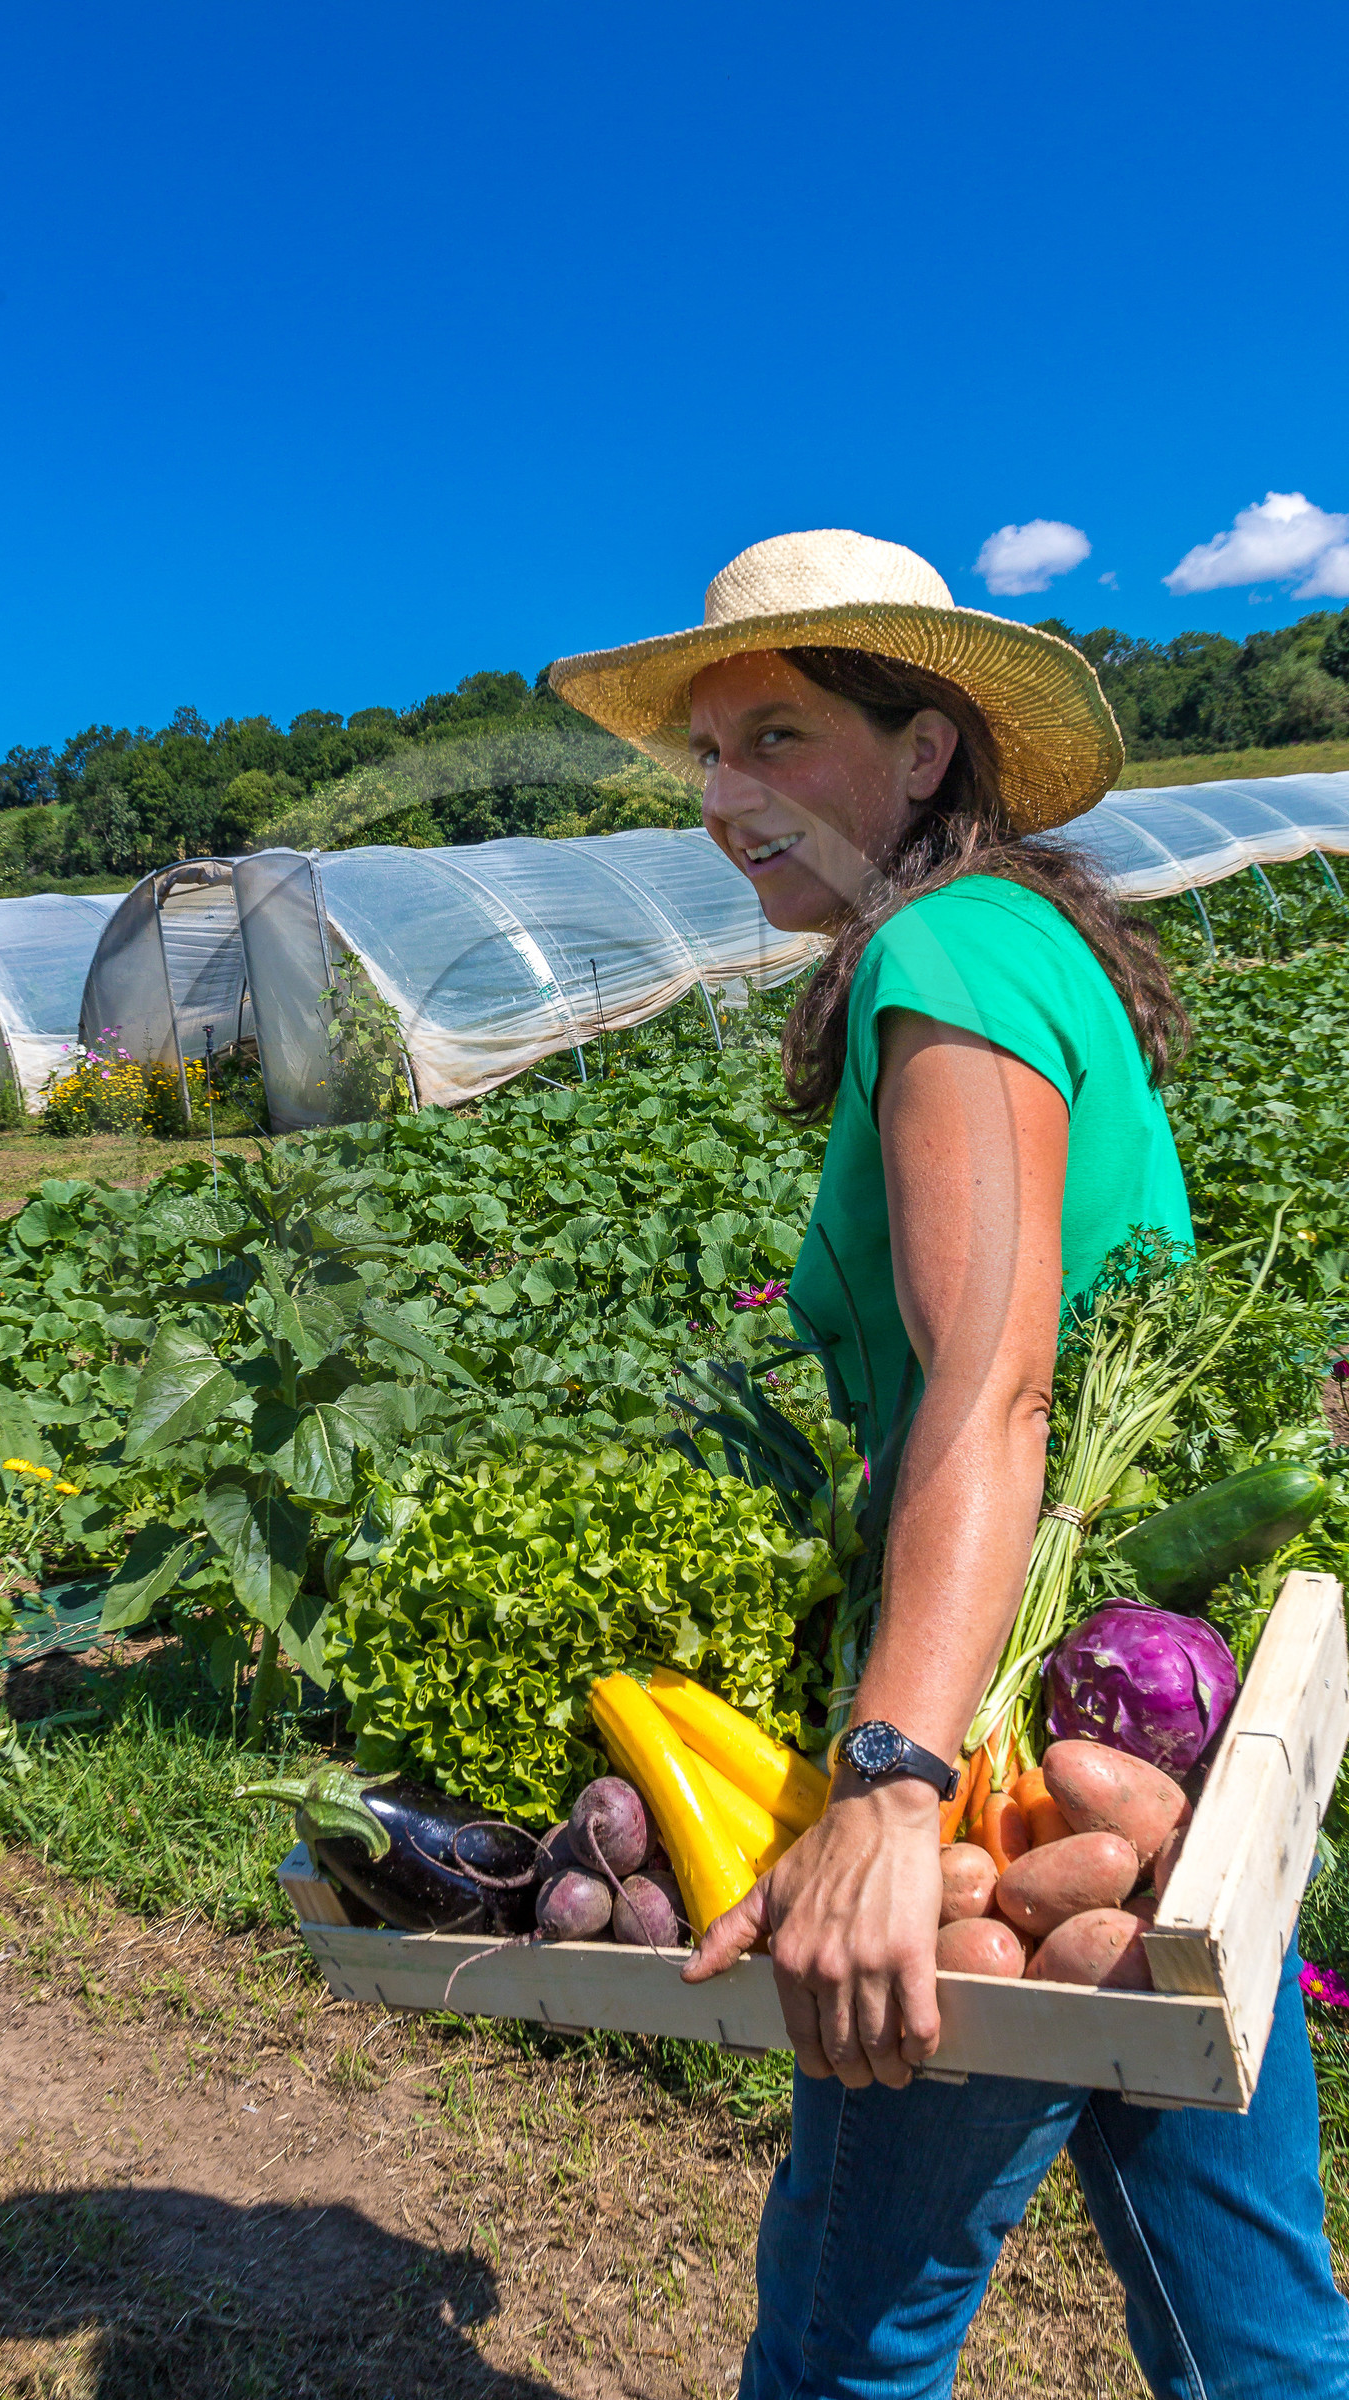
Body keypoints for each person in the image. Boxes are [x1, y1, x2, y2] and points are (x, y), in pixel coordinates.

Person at [549, 529, 1349, 2400]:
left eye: (779, 737)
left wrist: (894, 1782)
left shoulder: (943, 951)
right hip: (1143, 1753)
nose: (726, 797)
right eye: (710, 755)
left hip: (995, 1751)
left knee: (851, 2344)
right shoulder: (1015, 942)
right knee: (1252, 2330)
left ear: (923, 753)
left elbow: (991, 1389)